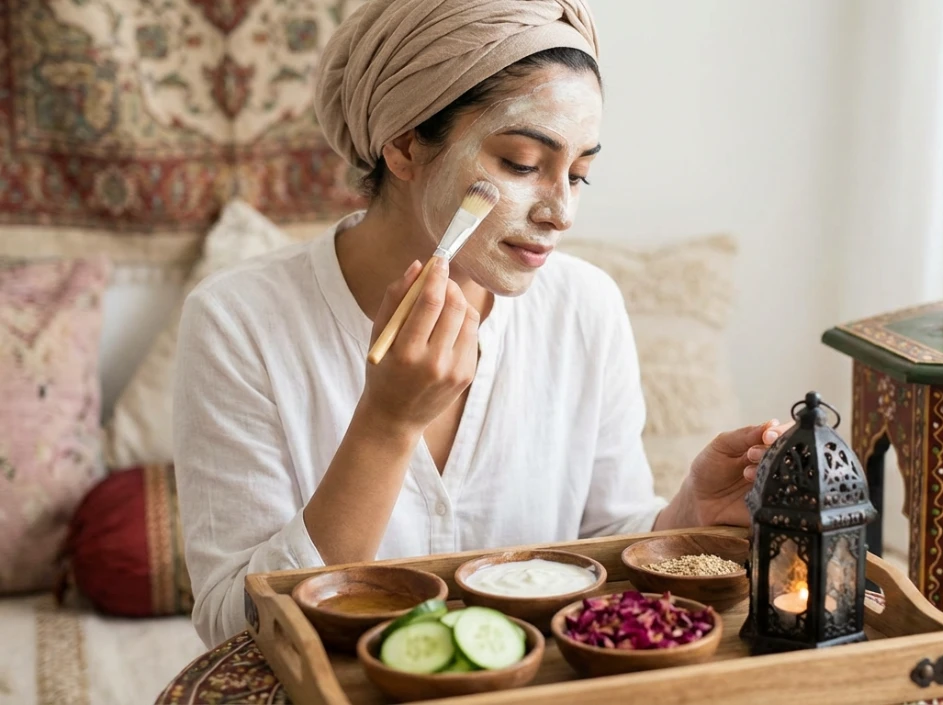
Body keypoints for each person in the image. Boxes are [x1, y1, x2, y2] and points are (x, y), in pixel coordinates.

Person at [174, 0, 787, 648]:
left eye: (580, 174)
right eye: (522, 163)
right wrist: (386, 426)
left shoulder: (585, 307)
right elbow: (233, 625)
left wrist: (688, 514)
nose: (561, 212)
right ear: (404, 145)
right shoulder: (238, 323)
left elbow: (602, 549)